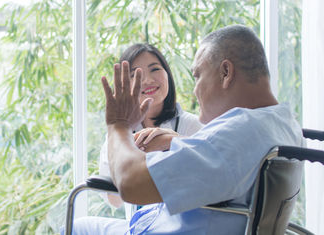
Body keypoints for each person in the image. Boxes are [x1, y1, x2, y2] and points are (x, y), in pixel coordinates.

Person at [64, 25, 304, 234]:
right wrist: (177, 143)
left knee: (74, 227)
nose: (194, 90)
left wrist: (118, 124)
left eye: (198, 75)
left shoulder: (240, 132)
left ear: (226, 72)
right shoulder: (282, 123)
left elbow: (130, 184)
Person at [98, 43, 202, 214]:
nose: (147, 80)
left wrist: (173, 143)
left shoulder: (192, 126)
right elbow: (114, 198)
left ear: (168, 74)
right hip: (139, 224)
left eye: (155, 69)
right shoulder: (120, 132)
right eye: (135, 75)